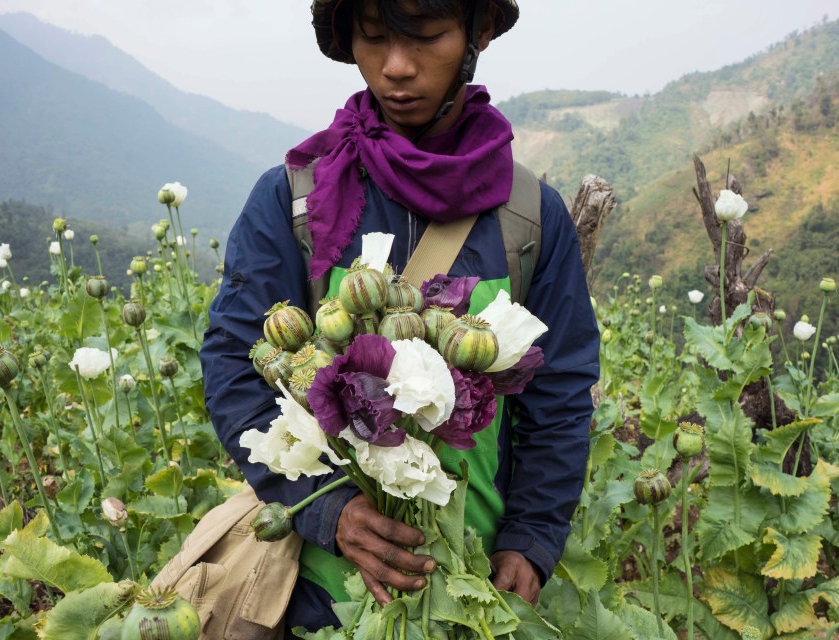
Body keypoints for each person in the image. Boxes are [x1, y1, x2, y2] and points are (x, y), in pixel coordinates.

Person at [200, 0, 599, 634]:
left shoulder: (530, 219)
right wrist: (329, 514)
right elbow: (234, 365)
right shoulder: (295, 200)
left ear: (478, 33)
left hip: (476, 583)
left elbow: (561, 392)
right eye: (375, 37)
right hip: (319, 589)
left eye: (428, 36)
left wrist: (532, 537)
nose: (395, 67)